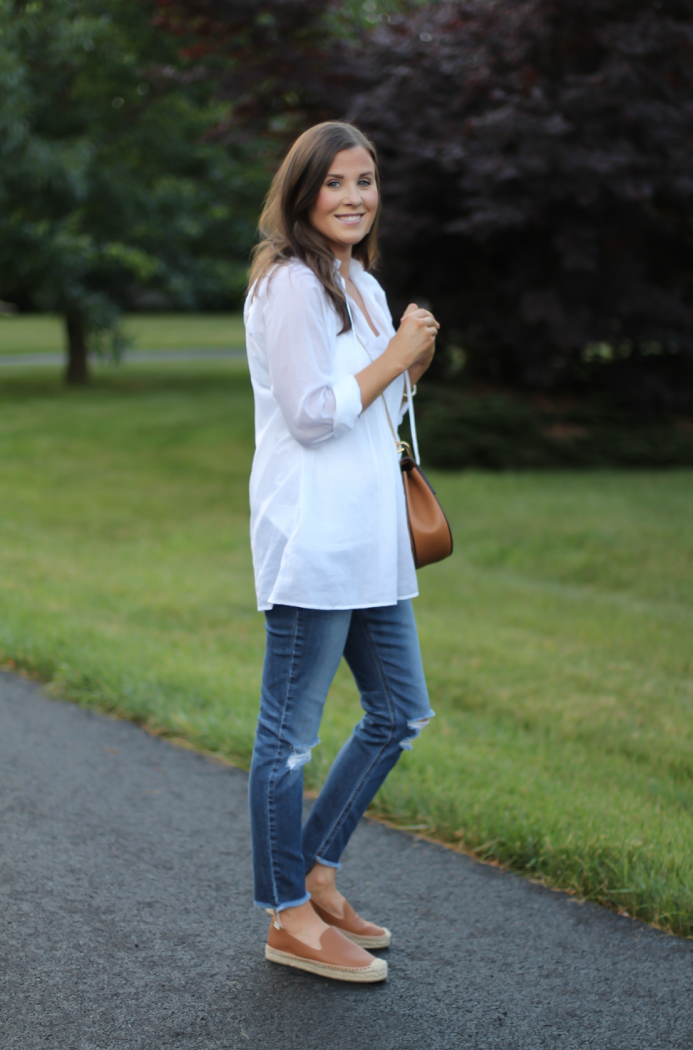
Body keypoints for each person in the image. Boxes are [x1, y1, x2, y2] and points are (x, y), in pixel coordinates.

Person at [243, 121, 439, 983]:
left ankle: (316, 873)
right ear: (302, 194)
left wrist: (407, 368)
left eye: (365, 181)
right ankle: (285, 914)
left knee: (399, 711)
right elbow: (312, 415)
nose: (354, 197)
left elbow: (372, 419)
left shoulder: (361, 283)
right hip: (314, 541)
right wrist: (393, 354)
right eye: (335, 184)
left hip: (371, 539)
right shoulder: (290, 284)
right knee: (287, 741)